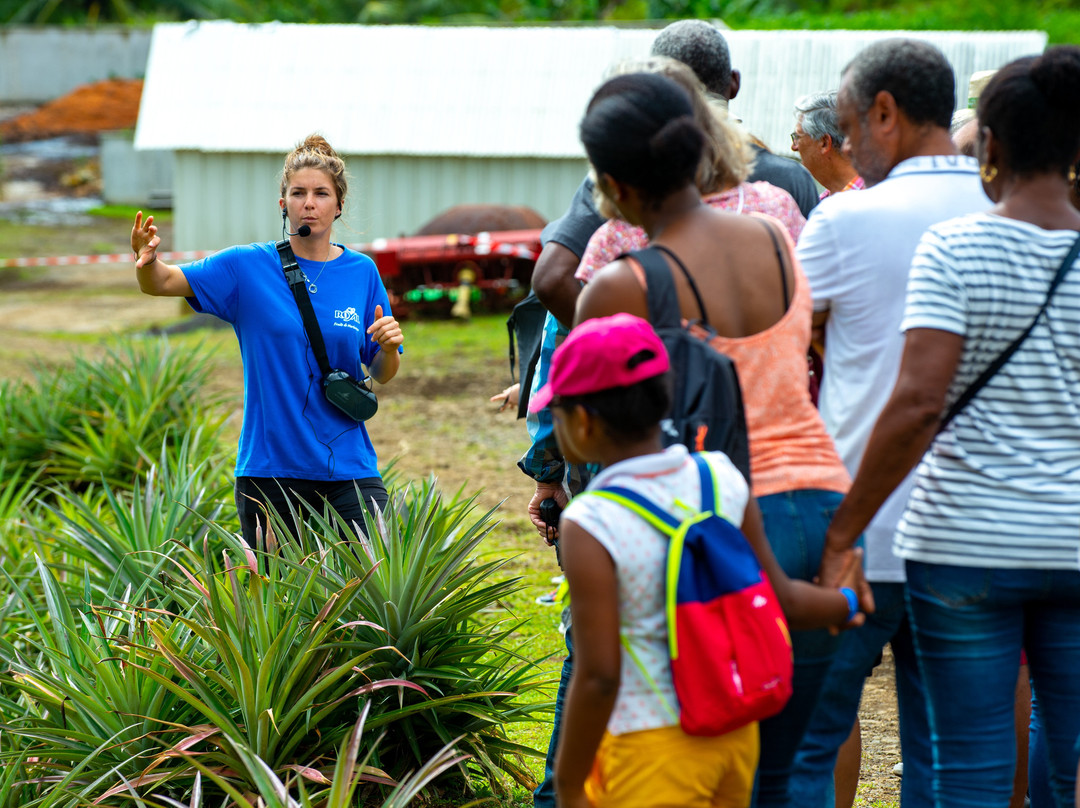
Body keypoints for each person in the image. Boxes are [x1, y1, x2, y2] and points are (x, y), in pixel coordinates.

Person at [571, 70, 860, 808]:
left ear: (614, 184)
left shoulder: (621, 286)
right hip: (825, 506)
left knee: (726, 758)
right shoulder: (775, 235)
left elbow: (585, 424)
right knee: (801, 764)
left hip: (724, 526)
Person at [819, 46, 1080, 808]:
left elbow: (916, 406)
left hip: (965, 546)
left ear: (989, 144)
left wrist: (844, 529)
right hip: (1072, 540)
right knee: (1069, 765)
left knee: (966, 769)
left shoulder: (958, 246)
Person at [539, 312, 866, 808]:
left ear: (582, 422)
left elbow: (599, 674)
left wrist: (568, 783)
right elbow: (783, 599)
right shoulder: (719, 478)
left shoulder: (592, 521)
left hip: (649, 749)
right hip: (733, 735)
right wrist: (847, 600)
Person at [789, 39, 992, 808]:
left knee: (810, 741)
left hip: (862, 523)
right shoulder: (1006, 214)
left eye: (846, 128)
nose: (845, 147)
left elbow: (793, 335)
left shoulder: (846, 218)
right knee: (949, 758)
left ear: (884, 113)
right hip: (974, 534)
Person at [131, 134, 404, 545]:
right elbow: (162, 282)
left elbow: (382, 372)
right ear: (283, 204)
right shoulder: (246, 267)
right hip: (270, 470)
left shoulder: (361, 272)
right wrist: (147, 261)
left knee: (376, 567)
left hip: (349, 467)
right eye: (298, 193)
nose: (309, 203)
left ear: (338, 205)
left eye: (321, 193)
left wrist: (388, 347)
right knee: (280, 585)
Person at [531, 19, 819, 329]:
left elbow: (552, 278)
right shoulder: (778, 207)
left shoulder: (617, 251)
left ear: (615, 188)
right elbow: (816, 300)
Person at [791, 91, 864, 198]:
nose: (794, 147)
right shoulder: (823, 202)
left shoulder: (874, 200)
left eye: (798, 137)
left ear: (824, 143)